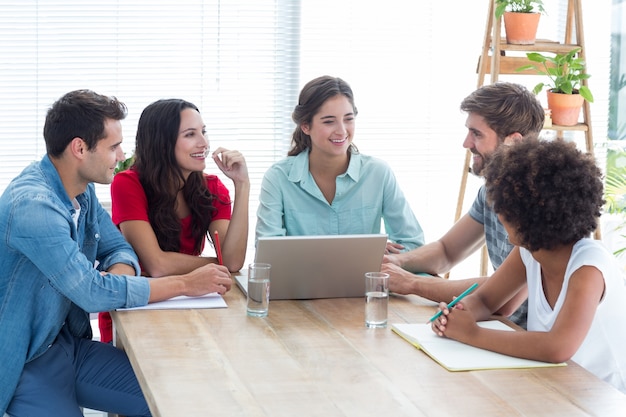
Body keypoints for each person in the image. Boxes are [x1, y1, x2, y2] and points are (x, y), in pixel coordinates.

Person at [0, 90, 233, 416]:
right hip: (27, 360)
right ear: (79, 148)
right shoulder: (33, 206)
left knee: (179, 397)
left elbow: (118, 249)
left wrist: (114, 283)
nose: (122, 155)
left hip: (68, 347)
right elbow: (92, 294)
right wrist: (184, 284)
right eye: (113, 147)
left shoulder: (82, 191)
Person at [431, 138, 626, 394]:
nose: (497, 211)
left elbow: (558, 347)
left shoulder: (588, 267)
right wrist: (456, 316)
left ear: (525, 214)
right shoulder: (529, 252)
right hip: (553, 387)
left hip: (602, 398)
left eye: (502, 204)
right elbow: (487, 301)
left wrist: (471, 333)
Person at [382, 82, 546, 328]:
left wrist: (411, 283)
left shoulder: (546, 202)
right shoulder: (491, 191)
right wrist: (395, 263)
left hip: (528, 338)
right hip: (499, 327)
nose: (466, 143)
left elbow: (503, 298)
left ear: (513, 141)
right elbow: (447, 251)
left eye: (477, 134)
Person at [97, 98, 249, 343]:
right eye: (190, 134)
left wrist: (242, 184)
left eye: (204, 132)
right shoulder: (128, 183)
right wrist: (216, 265)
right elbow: (156, 264)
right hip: (139, 308)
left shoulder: (212, 187)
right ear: (162, 142)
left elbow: (232, 261)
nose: (204, 143)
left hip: (192, 304)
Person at [256, 75, 424, 252]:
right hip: (302, 280)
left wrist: (388, 257)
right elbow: (267, 253)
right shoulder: (278, 177)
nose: (342, 131)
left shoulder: (378, 173)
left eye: (348, 119)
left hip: (362, 280)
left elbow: (413, 243)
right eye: (329, 121)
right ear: (305, 126)